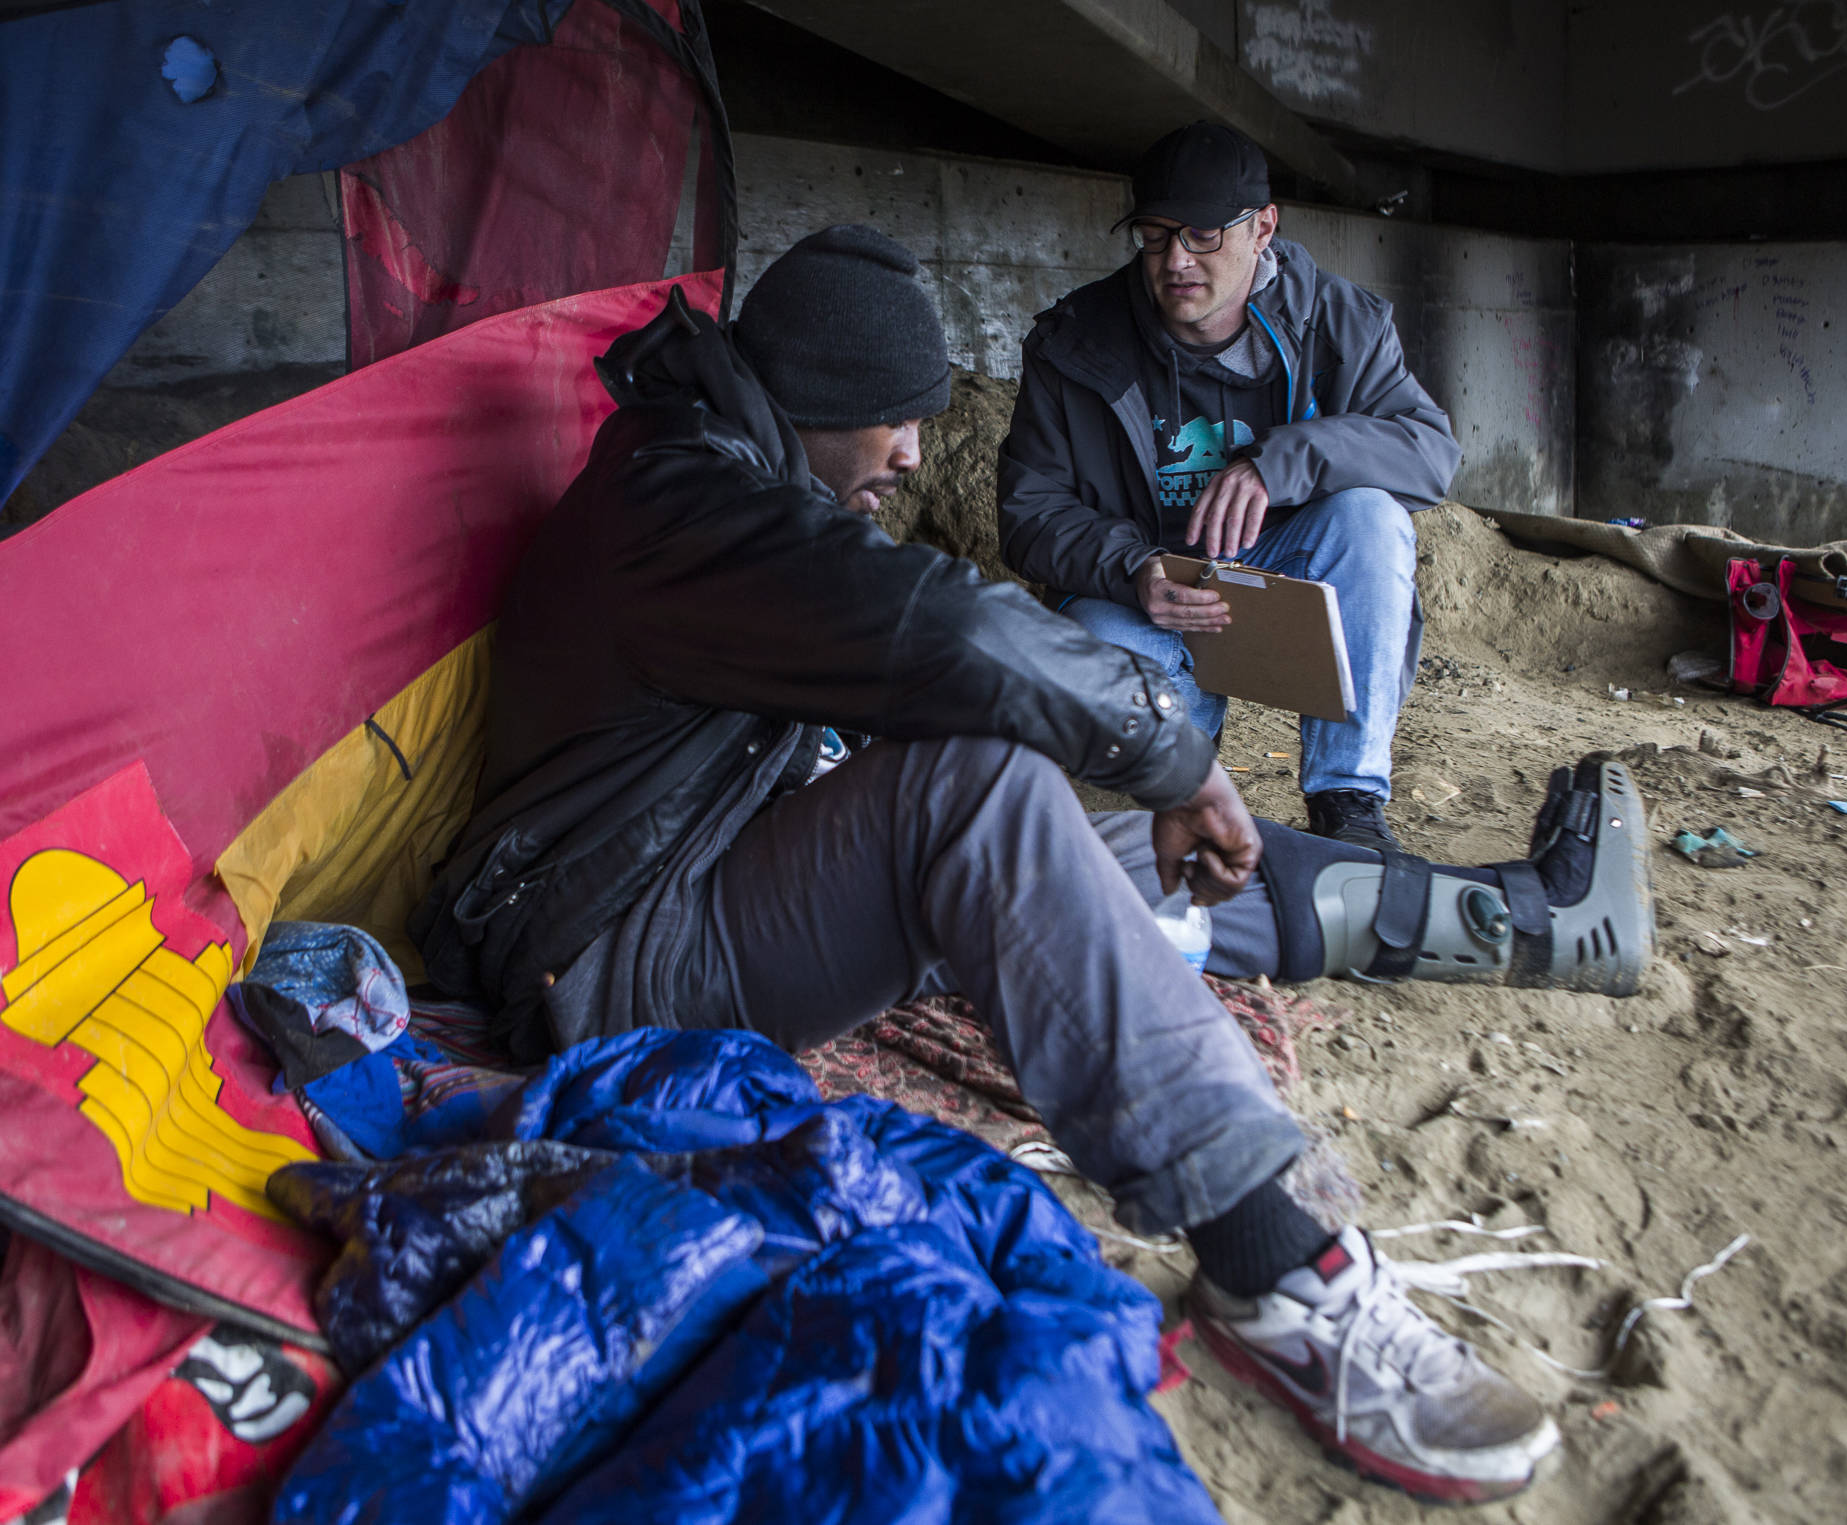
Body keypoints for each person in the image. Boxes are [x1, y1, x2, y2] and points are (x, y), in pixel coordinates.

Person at [412, 225, 1656, 1505]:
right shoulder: (687, 505)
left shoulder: (720, 474)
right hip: (604, 958)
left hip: (698, 868)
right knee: (982, 792)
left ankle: (1515, 917)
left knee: (1071, 839)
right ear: (814, 402)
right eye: (890, 421)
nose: (908, 455)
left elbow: (898, 651)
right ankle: (1277, 1268)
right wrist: (1175, 754)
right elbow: (939, 622)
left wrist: (1154, 796)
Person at [999, 120, 1459, 854]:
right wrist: (1133, 569)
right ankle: (1184, 761)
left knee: (1372, 519)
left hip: (1288, 573)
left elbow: (1430, 452)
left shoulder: (1338, 322)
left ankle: (1349, 801)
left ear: (1263, 227)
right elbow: (1028, 511)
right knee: (1096, 680)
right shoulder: (1077, 341)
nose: (1175, 260)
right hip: (1148, 595)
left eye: (1202, 235)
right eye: (1154, 237)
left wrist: (1281, 461)